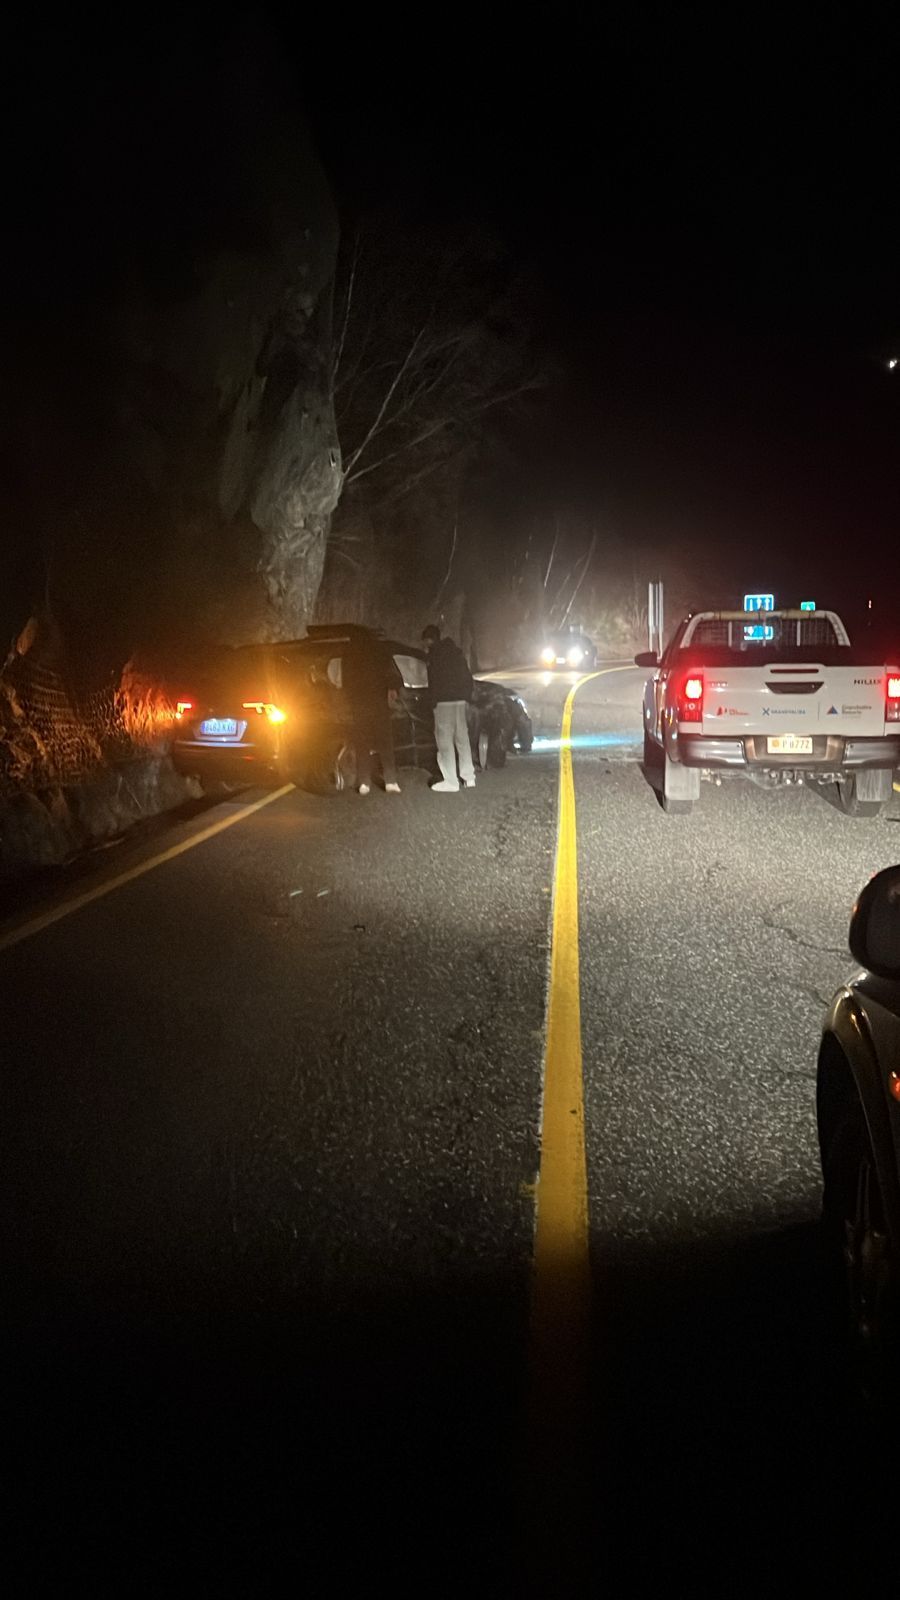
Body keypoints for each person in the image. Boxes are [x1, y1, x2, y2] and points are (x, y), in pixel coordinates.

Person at [341, 634, 402, 795]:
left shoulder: (349, 653)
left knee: (362, 744)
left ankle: (364, 783)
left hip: (359, 706)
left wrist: (350, 698)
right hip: (378, 704)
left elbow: (346, 680)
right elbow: (392, 674)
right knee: (385, 743)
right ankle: (391, 781)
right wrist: (393, 688)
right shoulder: (379, 650)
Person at [422, 624, 476, 792]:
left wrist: (432, 702)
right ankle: (469, 777)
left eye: (425, 641)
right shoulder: (456, 653)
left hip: (443, 702)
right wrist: (466, 697)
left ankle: (451, 781)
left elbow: (433, 682)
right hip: (460, 701)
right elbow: (467, 677)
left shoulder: (434, 656)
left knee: (444, 741)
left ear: (429, 640)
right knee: (462, 739)